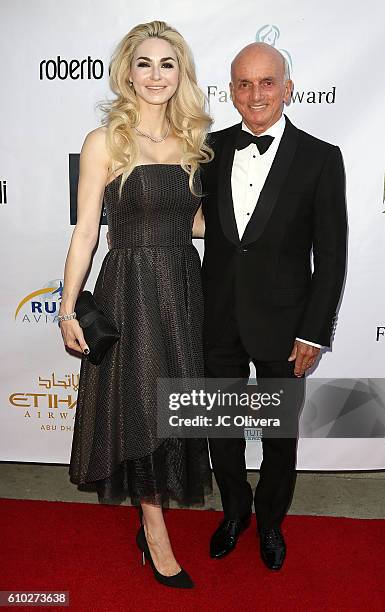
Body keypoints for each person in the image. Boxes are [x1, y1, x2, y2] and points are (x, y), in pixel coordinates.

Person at [58, 20, 213, 589]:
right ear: (127, 72)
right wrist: (68, 306)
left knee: (175, 405)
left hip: (183, 287)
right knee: (143, 406)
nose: (155, 75)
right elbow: (85, 234)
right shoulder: (106, 141)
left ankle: (152, 518)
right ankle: (155, 534)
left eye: (167, 64)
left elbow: (193, 223)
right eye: (144, 63)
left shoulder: (195, 140)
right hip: (131, 288)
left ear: (182, 74)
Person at [200, 43, 347, 570]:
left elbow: (331, 257)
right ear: (231, 90)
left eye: (266, 82)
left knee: (280, 437)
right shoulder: (210, 150)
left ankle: (270, 521)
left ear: (287, 87)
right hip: (216, 319)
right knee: (222, 429)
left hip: (287, 327)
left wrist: (314, 332)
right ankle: (234, 511)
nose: (255, 94)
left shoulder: (320, 157)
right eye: (243, 83)